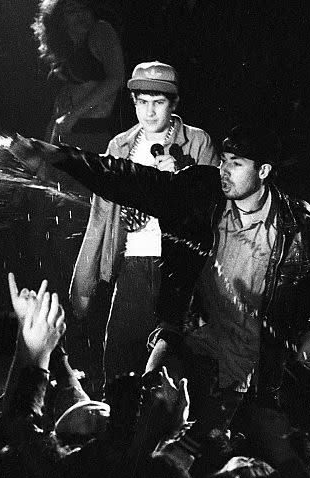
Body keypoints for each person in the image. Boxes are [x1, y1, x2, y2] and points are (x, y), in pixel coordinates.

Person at [10, 122, 310, 459]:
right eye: (223, 160)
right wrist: (58, 156)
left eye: (236, 164)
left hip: (252, 369)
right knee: (145, 420)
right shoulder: (198, 192)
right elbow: (126, 178)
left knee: (241, 456)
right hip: (189, 342)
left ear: (263, 171)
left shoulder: (295, 221)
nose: (224, 170)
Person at [68, 61, 219, 394]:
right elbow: (100, 217)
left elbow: (216, 209)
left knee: (181, 365)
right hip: (133, 267)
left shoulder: (197, 142)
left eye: (159, 102)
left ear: (174, 103)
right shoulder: (119, 148)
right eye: (142, 102)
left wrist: (184, 173)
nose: (150, 111)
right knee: (119, 365)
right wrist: (83, 282)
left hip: (181, 271)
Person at [31, 0, 124, 151]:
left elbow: (116, 79)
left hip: (93, 134)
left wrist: (72, 115)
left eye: (84, 8)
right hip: (64, 132)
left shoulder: (102, 30)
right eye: (72, 10)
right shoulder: (64, 43)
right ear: (59, 17)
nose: (80, 15)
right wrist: (48, 141)